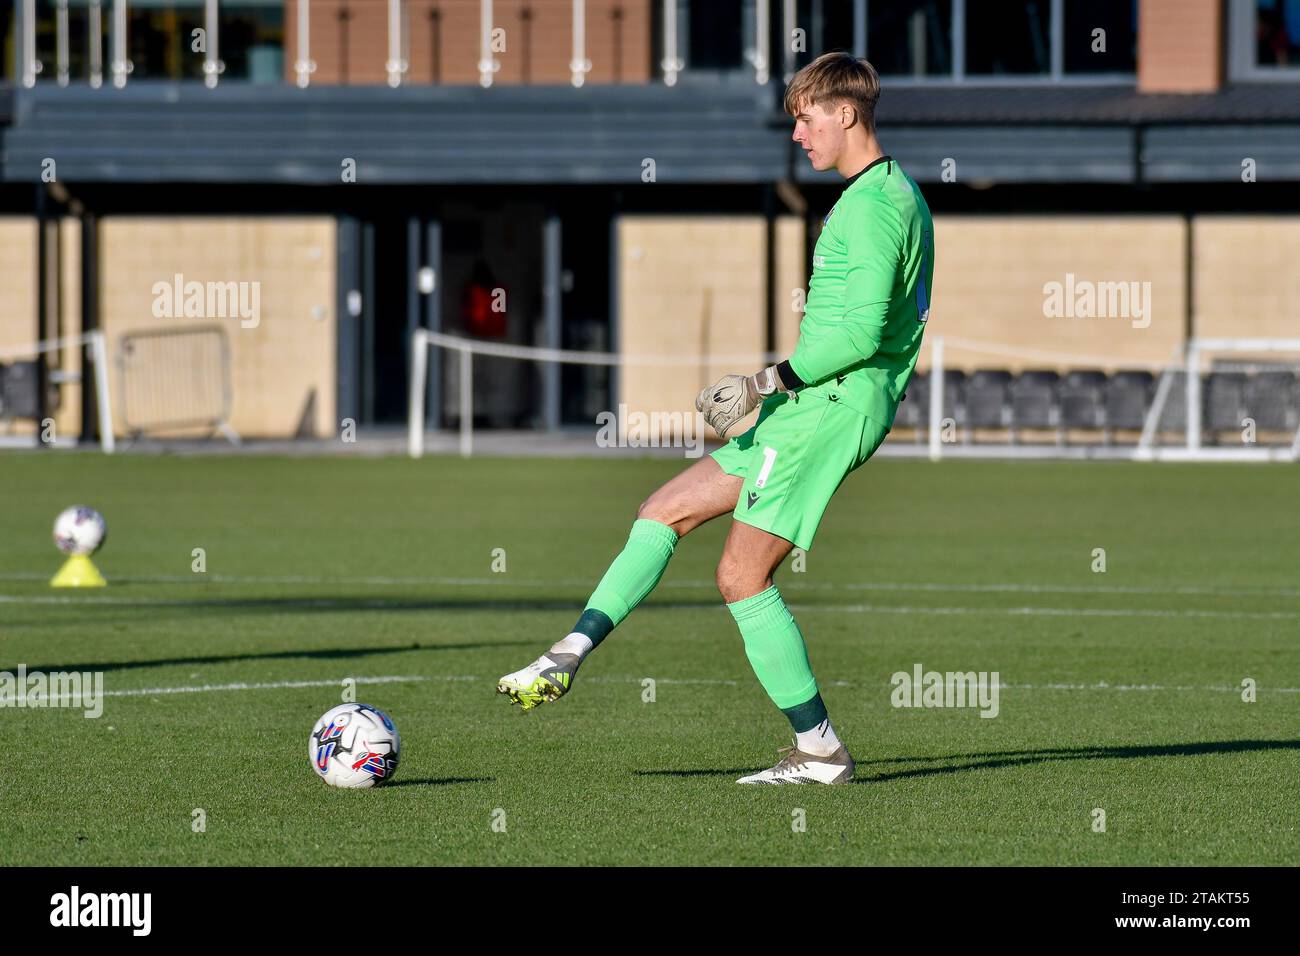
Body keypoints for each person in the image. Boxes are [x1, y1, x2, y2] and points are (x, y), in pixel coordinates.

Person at [498, 51, 935, 785]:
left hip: (829, 408)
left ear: (846, 113)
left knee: (741, 576)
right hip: (809, 402)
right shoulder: (883, 195)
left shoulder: (875, 208)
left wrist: (765, 381)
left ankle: (821, 751)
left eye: (805, 118)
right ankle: (566, 653)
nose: (797, 133)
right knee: (664, 509)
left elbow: (860, 337)